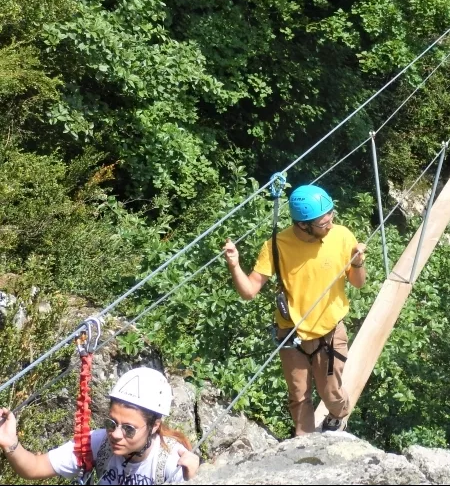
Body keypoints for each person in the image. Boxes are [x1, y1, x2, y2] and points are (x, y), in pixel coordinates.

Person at [223, 184, 366, 436]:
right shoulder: (277, 245)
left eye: (331, 217)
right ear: (303, 225)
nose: (330, 225)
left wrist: (359, 264)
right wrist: (234, 265)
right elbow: (249, 291)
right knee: (298, 397)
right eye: (324, 223)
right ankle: (303, 446)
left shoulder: (342, 236)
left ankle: (338, 415)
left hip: (329, 332)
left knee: (331, 393)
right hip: (291, 333)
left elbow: (358, 282)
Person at [0, 367, 200, 484]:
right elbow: (35, 468)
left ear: (155, 425)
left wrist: (192, 479)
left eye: (129, 429)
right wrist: (11, 444)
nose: (116, 435)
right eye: (111, 423)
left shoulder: (172, 463)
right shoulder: (99, 443)